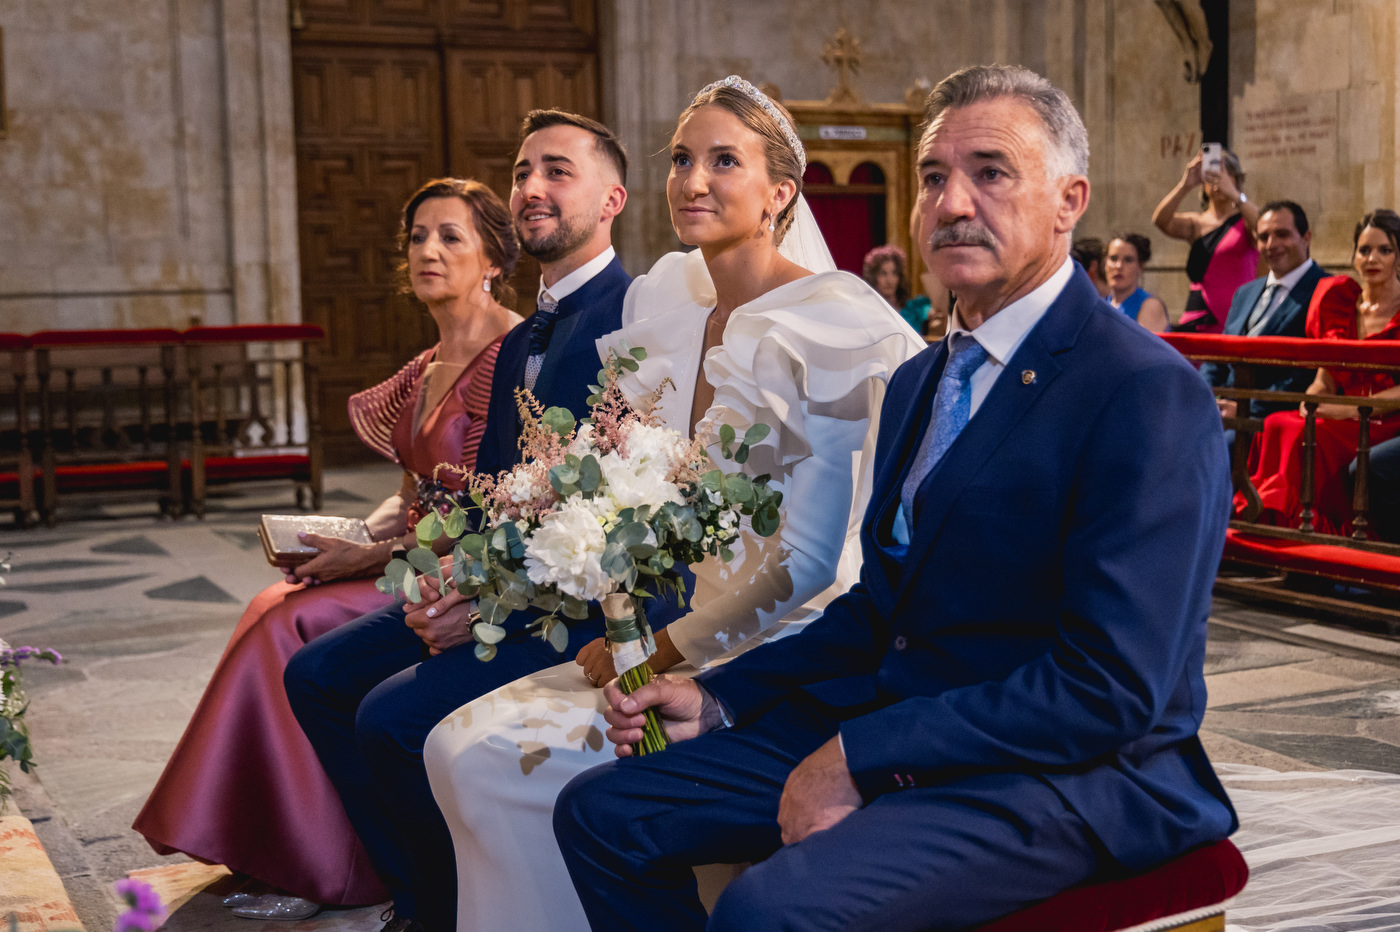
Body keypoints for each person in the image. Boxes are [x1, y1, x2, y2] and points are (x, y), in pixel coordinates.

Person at [553, 64, 1236, 932]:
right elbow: (882, 607)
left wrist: (862, 757)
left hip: (1062, 771)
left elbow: (1111, 687)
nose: (954, 202)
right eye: (934, 178)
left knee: (770, 909)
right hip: (902, 715)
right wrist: (721, 694)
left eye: (991, 172)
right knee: (603, 814)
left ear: (1070, 201)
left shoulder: (1140, 390)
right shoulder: (922, 380)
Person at [422, 75, 924, 932]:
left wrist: (663, 650)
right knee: (448, 745)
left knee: (491, 765)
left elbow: (804, 565)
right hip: (673, 629)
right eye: (683, 158)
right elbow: (629, 487)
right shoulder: (671, 303)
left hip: (779, 650)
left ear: (781, 193)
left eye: (725, 160)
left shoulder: (832, 325)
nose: (693, 180)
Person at [282, 111, 685, 932]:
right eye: (523, 170)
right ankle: (417, 890)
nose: (533, 188)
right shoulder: (522, 336)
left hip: (582, 608)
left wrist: (481, 602)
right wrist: (439, 581)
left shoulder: (634, 320)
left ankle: (442, 911)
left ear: (613, 198)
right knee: (315, 677)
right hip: (498, 583)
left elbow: (625, 518)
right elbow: (491, 492)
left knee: (389, 717)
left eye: (558, 171)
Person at [131, 178, 519, 915]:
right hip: (407, 547)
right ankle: (289, 853)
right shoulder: (430, 361)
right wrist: (349, 534)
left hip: (453, 570)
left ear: (494, 258)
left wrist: (369, 557)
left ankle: (336, 869)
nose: (428, 252)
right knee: (272, 603)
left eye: (450, 237)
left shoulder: (508, 359)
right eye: (416, 238)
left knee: (289, 626)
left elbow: (482, 510)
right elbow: (412, 495)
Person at [1246, 209, 1400, 536]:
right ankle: (1275, 527)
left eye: (1385, 250)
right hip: (1344, 414)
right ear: (1354, 257)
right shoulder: (1338, 301)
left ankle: (1323, 532)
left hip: (1387, 418)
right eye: (1364, 250)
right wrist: (1312, 400)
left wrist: (1349, 409)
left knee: (1310, 435)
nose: (1372, 258)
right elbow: (1324, 378)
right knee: (1280, 424)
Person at [1202, 201, 1328, 431]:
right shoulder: (1245, 292)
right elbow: (1218, 356)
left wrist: (1246, 408)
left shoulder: (1325, 290)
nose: (1271, 244)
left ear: (1306, 237)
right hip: (1220, 413)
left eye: (1282, 234)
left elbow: (1308, 374)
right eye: (1263, 237)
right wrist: (1206, 397)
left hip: (1271, 421)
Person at [1153, 147, 1260, 332]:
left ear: (1236, 179)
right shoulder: (1197, 222)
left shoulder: (1246, 220)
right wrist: (1185, 184)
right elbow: (1160, 221)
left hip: (1235, 317)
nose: (1218, 181)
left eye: (1225, 174)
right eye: (1211, 175)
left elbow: (1265, 228)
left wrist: (1235, 194)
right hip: (1198, 315)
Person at [1104, 232, 1169, 331]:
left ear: (1140, 267)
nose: (1119, 266)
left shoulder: (1150, 306)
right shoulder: (1101, 304)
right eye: (1113, 258)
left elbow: (1147, 346)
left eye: (1128, 260)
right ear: (1105, 264)